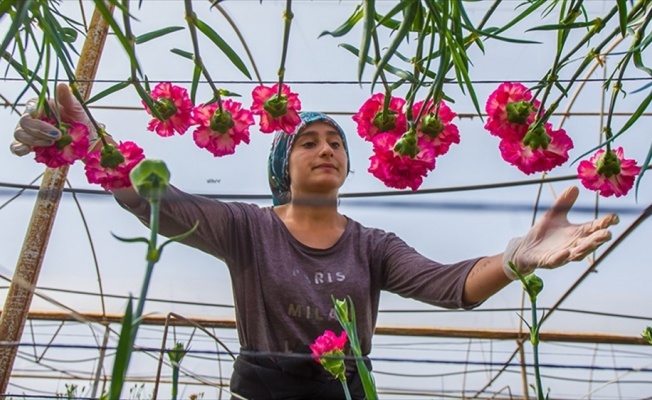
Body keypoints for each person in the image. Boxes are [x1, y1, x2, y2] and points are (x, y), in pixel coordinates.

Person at [11, 84, 619, 400]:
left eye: (335, 141)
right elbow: (155, 204)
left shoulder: (373, 244)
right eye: (308, 141)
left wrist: (517, 257)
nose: (326, 147)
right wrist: (96, 144)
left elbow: (451, 286)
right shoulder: (248, 228)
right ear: (283, 161)